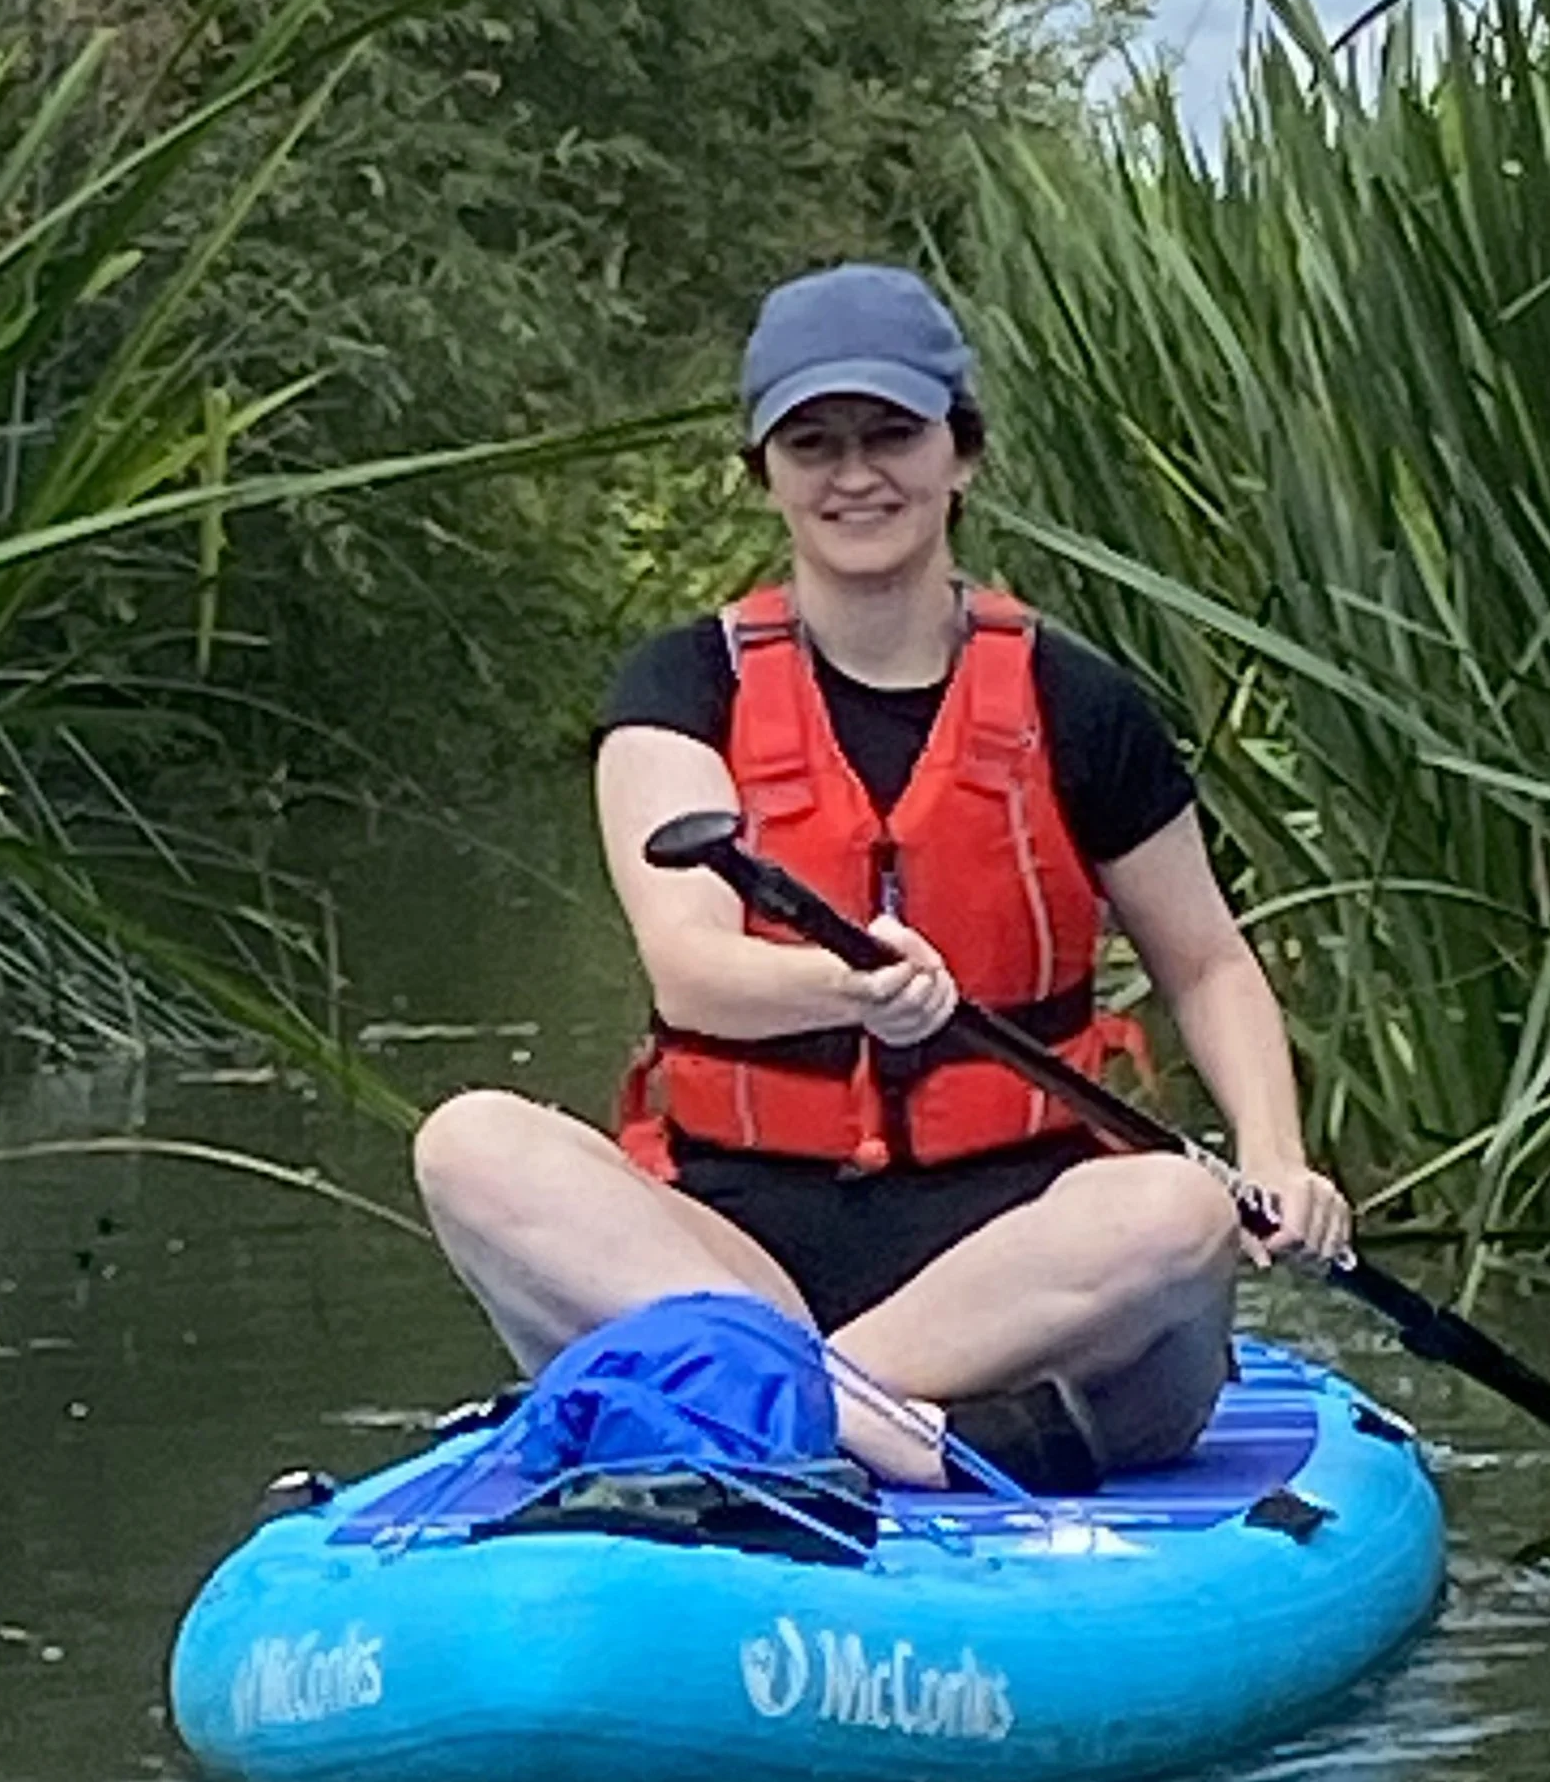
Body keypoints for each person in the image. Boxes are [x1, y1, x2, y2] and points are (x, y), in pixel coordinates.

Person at [413, 261, 1350, 1488]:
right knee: (469, 1142)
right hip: (742, 1252)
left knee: (1180, 1208)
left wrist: (1272, 1157)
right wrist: (853, 991)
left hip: (1031, 1265)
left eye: (890, 435)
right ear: (766, 477)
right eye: (813, 444)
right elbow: (692, 971)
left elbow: (1209, 962)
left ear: (959, 454)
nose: (855, 475)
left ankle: (768, 1409)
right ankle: (864, 1424)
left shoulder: (1077, 702)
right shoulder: (676, 690)